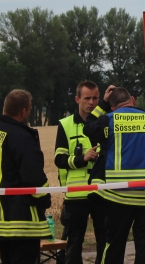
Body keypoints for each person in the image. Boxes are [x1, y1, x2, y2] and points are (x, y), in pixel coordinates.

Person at [85, 86, 145, 264]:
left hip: (118, 197)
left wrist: (102, 104)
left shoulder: (109, 119)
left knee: (114, 245)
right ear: (133, 100)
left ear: (113, 107)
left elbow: (88, 128)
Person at [0, 89, 51, 264]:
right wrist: (45, 199)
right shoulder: (22, 136)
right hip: (21, 222)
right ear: (24, 111)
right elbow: (34, 178)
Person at [54, 81, 106, 264]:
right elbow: (59, 159)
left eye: (95, 98)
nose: (91, 102)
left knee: (104, 241)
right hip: (76, 194)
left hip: (102, 192)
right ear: (77, 99)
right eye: (87, 98)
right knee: (74, 242)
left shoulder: (104, 121)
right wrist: (82, 158)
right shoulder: (65, 124)